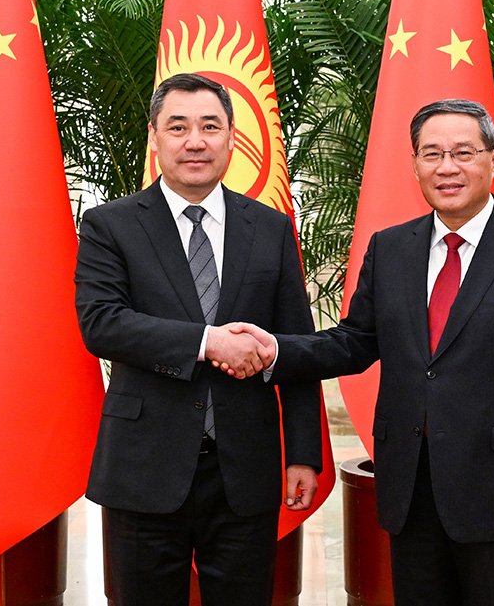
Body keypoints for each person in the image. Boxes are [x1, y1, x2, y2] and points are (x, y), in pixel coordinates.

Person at [226, 100, 494, 605]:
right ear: (415, 164)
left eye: (463, 152)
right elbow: (355, 341)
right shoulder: (391, 248)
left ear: (493, 160)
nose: (447, 167)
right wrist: (274, 350)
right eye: (432, 154)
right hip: (409, 486)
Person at [74, 73, 322, 606]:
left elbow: (296, 347)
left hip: (245, 470)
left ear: (231, 137)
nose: (195, 141)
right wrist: (209, 342)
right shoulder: (110, 225)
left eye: (210, 127)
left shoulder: (272, 229)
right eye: (178, 127)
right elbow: (102, 322)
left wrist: (303, 454)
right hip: (144, 468)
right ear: (154, 137)